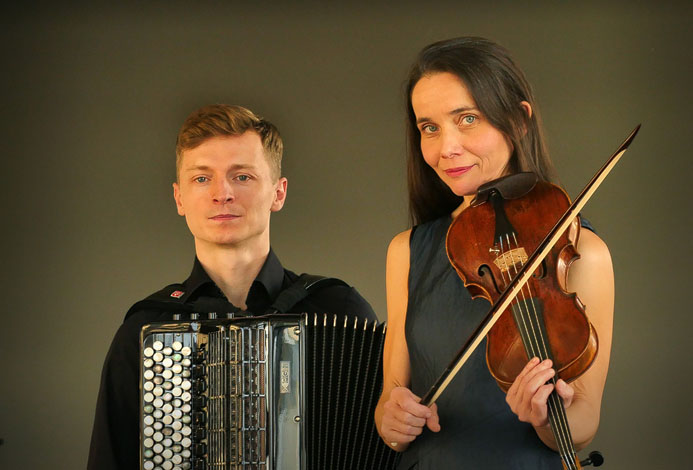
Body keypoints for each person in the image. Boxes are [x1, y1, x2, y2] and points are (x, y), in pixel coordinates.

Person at [88, 104, 377, 470]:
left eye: (242, 177)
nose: (222, 193)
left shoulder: (338, 309)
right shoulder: (145, 329)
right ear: (179, 198)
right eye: (202, 178)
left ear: (279, 193)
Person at [374, 37, 614, 469]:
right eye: (429, 128)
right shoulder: (406, 251)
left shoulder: (579, 251)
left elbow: (582, 423)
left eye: (467, 119)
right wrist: (391, 422)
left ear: (519, 121)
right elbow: (392, 396)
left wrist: (545, 417)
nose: (446, 148)